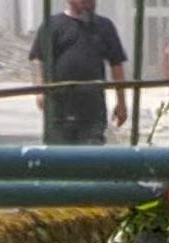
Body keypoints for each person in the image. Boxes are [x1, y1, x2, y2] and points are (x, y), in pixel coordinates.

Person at [28, 0, 131, 144]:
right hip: (59, 112)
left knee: (90, 158)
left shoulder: (104, 26)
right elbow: (39, 59)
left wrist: (121, 103)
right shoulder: (52, 25)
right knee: (59, 159)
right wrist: (40, 91)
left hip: (92, 111)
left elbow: (116, 65)